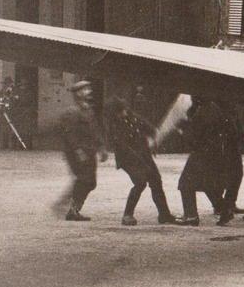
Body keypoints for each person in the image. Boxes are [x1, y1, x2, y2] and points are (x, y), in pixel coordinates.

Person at [106, 96, 176, 225]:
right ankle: (127, 215)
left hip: (144, 155)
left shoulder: (132, 116)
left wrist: (154, 136)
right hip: (128, 159)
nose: (124, 113)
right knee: (140, 182)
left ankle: (164, 214)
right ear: (114, 113)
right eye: (120, 111)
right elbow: (122, 146)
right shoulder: (114, 125)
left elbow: (149, 128)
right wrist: (138, 157)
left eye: (124, 109)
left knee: (156, 180)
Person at [176, 97, 232, 226]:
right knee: (208, 184)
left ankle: (191, 216)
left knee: (185, 183)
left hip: (201, 153)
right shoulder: (214, 108)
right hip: (215, 152)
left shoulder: (201, 112)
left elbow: (193, 138)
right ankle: (225, 210)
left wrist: (182, 128)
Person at [53, 80, 104, 221]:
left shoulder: (87, 109)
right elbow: (69, 134)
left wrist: (100, 148)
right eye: (85, 89)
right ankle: (73, 211)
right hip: (78, 152)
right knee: (85, 180)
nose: (89, 91)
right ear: (78, 93)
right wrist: (78, 151)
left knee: (90, 182)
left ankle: (66, 205)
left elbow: (94, 131)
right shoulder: (73, 111)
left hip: (89, 151)